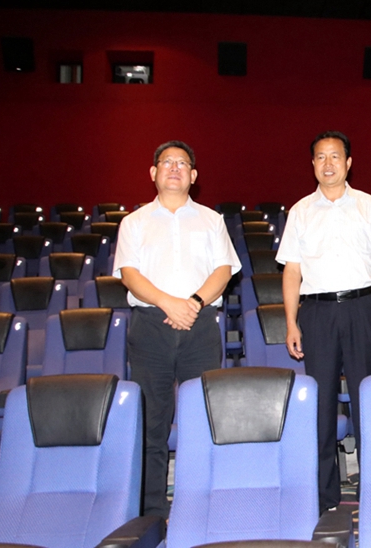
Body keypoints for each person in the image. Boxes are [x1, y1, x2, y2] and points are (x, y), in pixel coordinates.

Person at [276, 130, 371, 513]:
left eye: (335, 156)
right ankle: (324, 497)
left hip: (363, 309)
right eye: (320, 157)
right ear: (312, 164)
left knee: (367, 401)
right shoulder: (300, 211)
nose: (328, 163)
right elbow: (292, 272)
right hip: (317, 313)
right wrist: (291, 322)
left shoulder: (369, 206)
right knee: (320, 405)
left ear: (348, 163)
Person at [114, 140, 240, 518]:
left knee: (201, 418)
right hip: (150, 327)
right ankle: (151, 510)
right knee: (151, 421)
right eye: (166, 162)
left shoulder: (211, 220)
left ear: (193, 175)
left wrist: (193, 303)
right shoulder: (134, 222)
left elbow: (223, 270)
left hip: (199, 326)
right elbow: (129, 274)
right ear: (153, 173)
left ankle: (198, 504)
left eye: (182, 163)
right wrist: (169, 303)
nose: (174, 168)